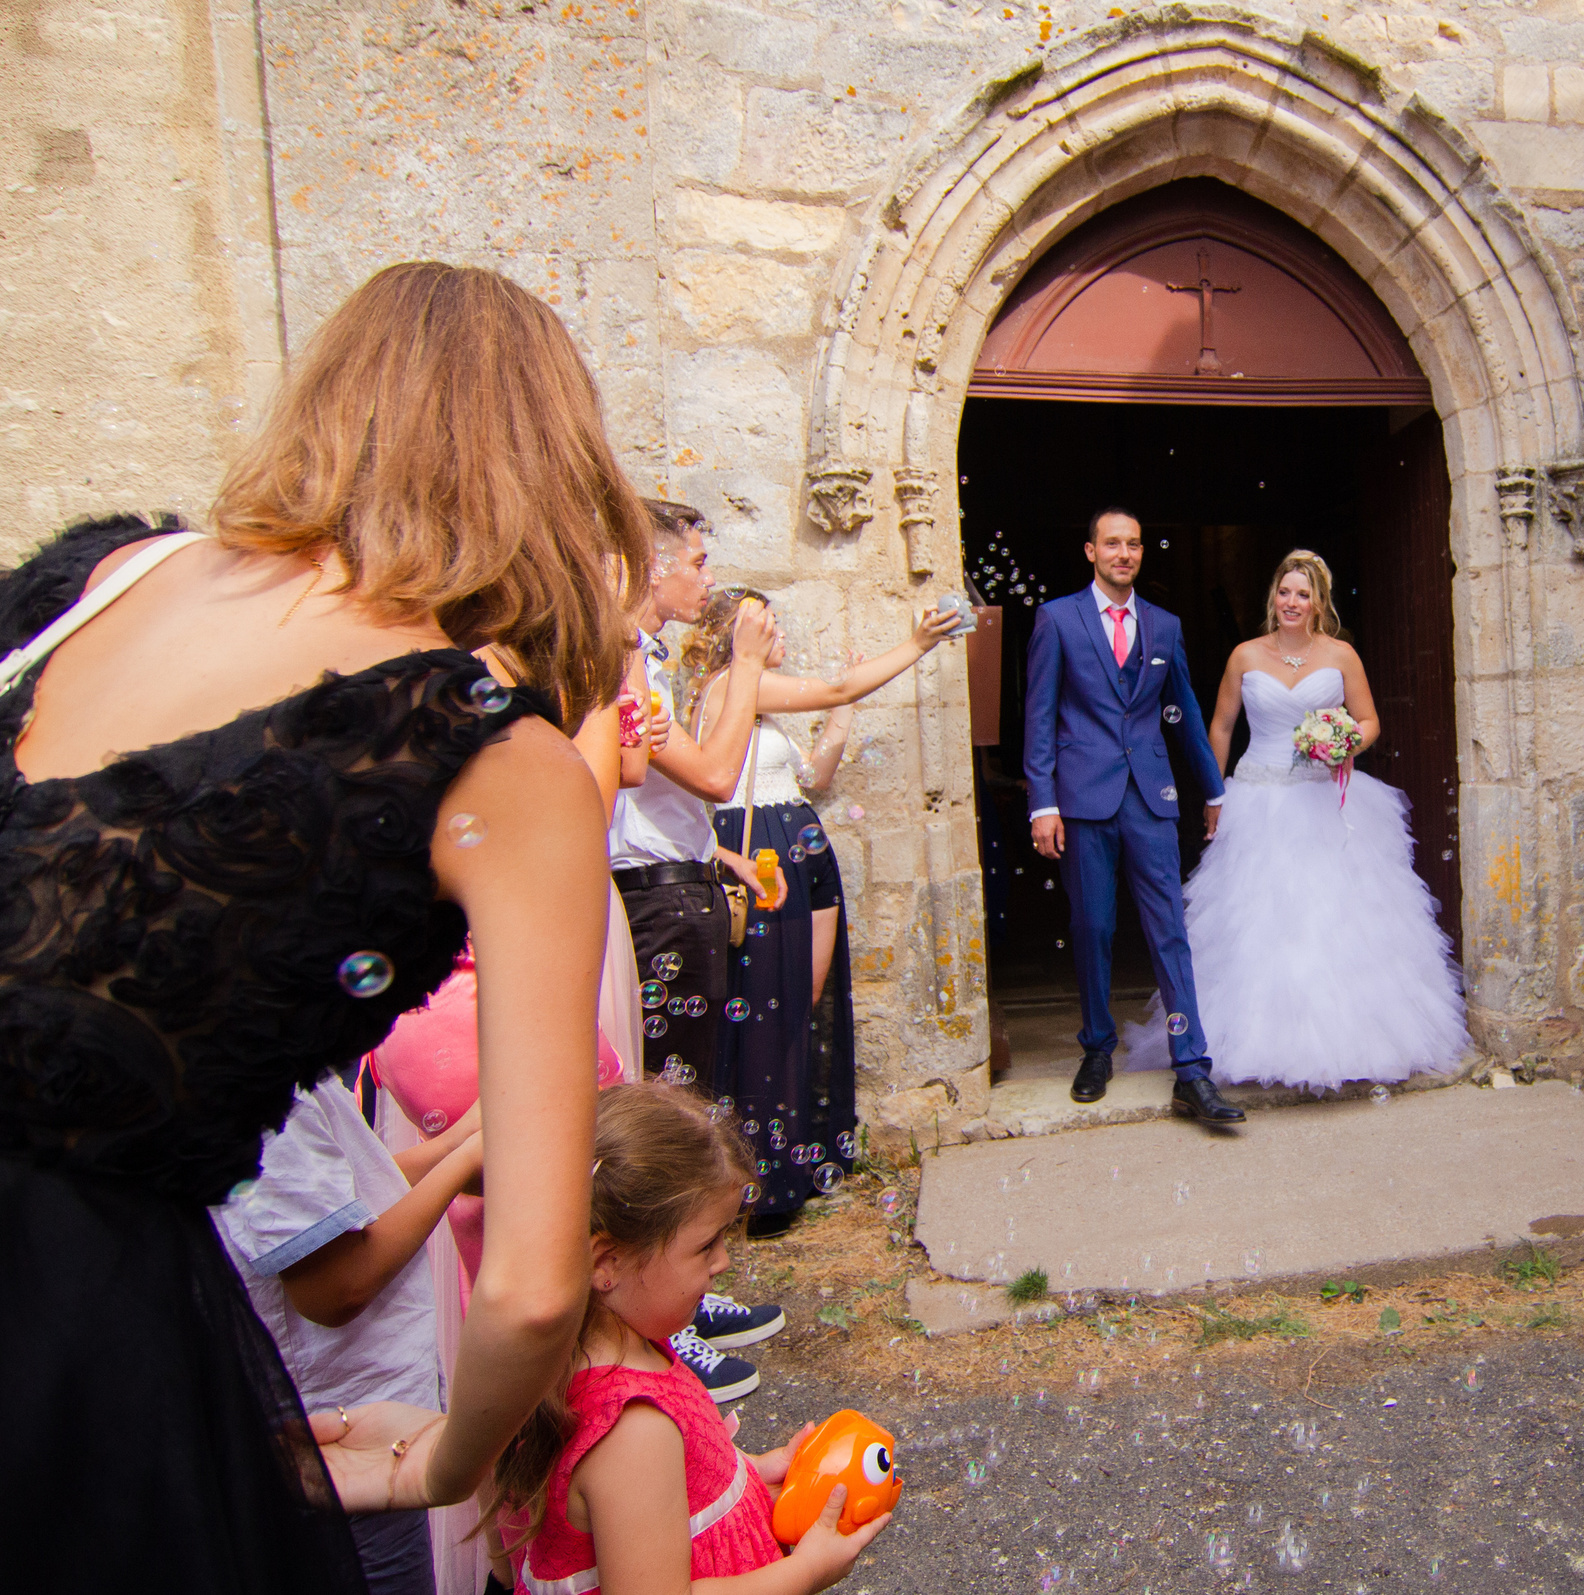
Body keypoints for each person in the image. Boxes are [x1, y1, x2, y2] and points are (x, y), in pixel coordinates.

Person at [0, 262, 638, 1590]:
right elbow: (530, 1281)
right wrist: (442, 1461)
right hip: (60, 1326)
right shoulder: (492, 757)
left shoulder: (107, 576)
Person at [493, 1082, 890, 1595]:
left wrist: (747, 1476)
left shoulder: (623, 1350)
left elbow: (660, 1498)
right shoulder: (631, 1431)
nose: (723, 1262)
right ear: (605, 1263)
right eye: (706, 1245)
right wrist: (808, 1570)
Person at [1123, 551, 1471, 1090]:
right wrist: (1214, 793)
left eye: (1302, 595)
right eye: (1284, 593)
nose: (1292, 602)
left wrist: (1346, 742)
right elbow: (1219, 727)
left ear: (1318, 604)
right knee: (1259, 921)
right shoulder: (1244, 655)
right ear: (1273, 598)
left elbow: (1370, 719)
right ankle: (1248, 1040)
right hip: (1257, 797)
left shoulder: (1341, 656)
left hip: (1322, 799)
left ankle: (1347, 1040)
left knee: (1333, 919)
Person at [682, 584, 963, 1235]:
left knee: (797, 1004)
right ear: (734, 635)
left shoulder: (758, 703)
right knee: (765, 1011)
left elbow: (815, 774)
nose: (778, 635)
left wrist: (843, 714)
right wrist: (917, 644)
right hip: (763, 856)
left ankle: (796, 1153)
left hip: (799, 850)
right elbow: (834, 688)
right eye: (766, 625)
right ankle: (760, 1179)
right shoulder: (732, 684)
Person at [213, 1083, 488, 1595]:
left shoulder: (271, 1079)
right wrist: (463, 1160)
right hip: (340, 1450)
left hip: (339, 1436)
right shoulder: (275, 1103)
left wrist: (449, 1148)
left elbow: (344, 1203)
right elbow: (336, 1288)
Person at [1025, 507, 1242, 1125]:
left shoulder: (1165, 626)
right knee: (1093, 928)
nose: (1125, 552)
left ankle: (1192, 1070)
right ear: (1090, 551)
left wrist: (1213, 789)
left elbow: (1187, 712)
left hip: (1152, 799)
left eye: (1134, 544)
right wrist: (1043, 802)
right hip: (1083, 801)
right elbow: (1039, 717)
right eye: (1112, 543)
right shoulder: (1057, 619)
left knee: (1169, 929)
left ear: (1142, 554)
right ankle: (1097, 1049)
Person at [611, 500, 778, 1091]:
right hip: (661, 909)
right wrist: (749, 665)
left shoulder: (641, 660)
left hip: (673, 889)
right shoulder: (623, 658)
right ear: (652, 565)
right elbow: (715, 777)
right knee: (673, 1096)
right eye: (699, 562)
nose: (709, 579)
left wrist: (716, 852)